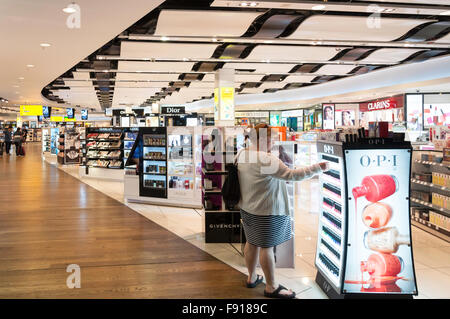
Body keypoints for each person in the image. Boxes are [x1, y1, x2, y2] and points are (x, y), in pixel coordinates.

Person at [236, 123, 329, 299]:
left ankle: (251, 277)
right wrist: (319, 167)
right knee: (266, 247)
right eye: (272, 138)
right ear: (263, 139)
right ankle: (271, 287)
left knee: (252, 242)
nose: (274, 142)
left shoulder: (241, 154)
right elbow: (293, 176)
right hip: (267, 210)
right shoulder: (267, 159)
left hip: (247, 207)